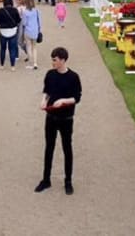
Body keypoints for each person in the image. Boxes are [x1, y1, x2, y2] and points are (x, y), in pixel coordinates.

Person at [35, 47, 82, 195]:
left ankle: (68, 181)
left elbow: (77, 98)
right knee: (49, 147)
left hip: (66, 119)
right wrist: (44, 100)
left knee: (67, 148)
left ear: (62, 60)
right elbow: (47, 91)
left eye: (55, 60)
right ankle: (46, 179)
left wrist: (63, 101)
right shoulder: (50, 74)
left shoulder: (73, 77)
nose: (53, 62)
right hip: (51, 118)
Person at [0, 0, 22, 70]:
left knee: (2, 49)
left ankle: (2, 65)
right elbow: (18, 20)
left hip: (3, 31)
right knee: (12, 49)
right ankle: (12, 66)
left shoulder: (1, 10)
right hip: (13, 31)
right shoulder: (15, 10)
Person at [23, 0, 41, 70]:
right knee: (34, 47)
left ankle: (30, 63)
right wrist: (39, 29)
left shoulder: (25, 12)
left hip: (28, 31)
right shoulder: (36, 11)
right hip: (35, 30)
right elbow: (39, 22)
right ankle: (35, 63)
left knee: (29, 47)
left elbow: (24, 23)